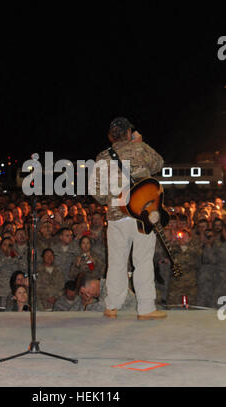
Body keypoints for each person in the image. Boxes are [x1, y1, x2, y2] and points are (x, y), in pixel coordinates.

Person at [93, 116, 166, 320]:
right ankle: (145, 309)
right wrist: (140, 142)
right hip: (142, 216)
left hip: (117, 217)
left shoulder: (102, 157)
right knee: (142, 261)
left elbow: (97, 193)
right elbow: (159, 163)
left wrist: (112, 199)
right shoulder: (140, 149)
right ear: (128, 133)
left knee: (116, 262)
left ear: (110, 136)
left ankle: (112, 307)